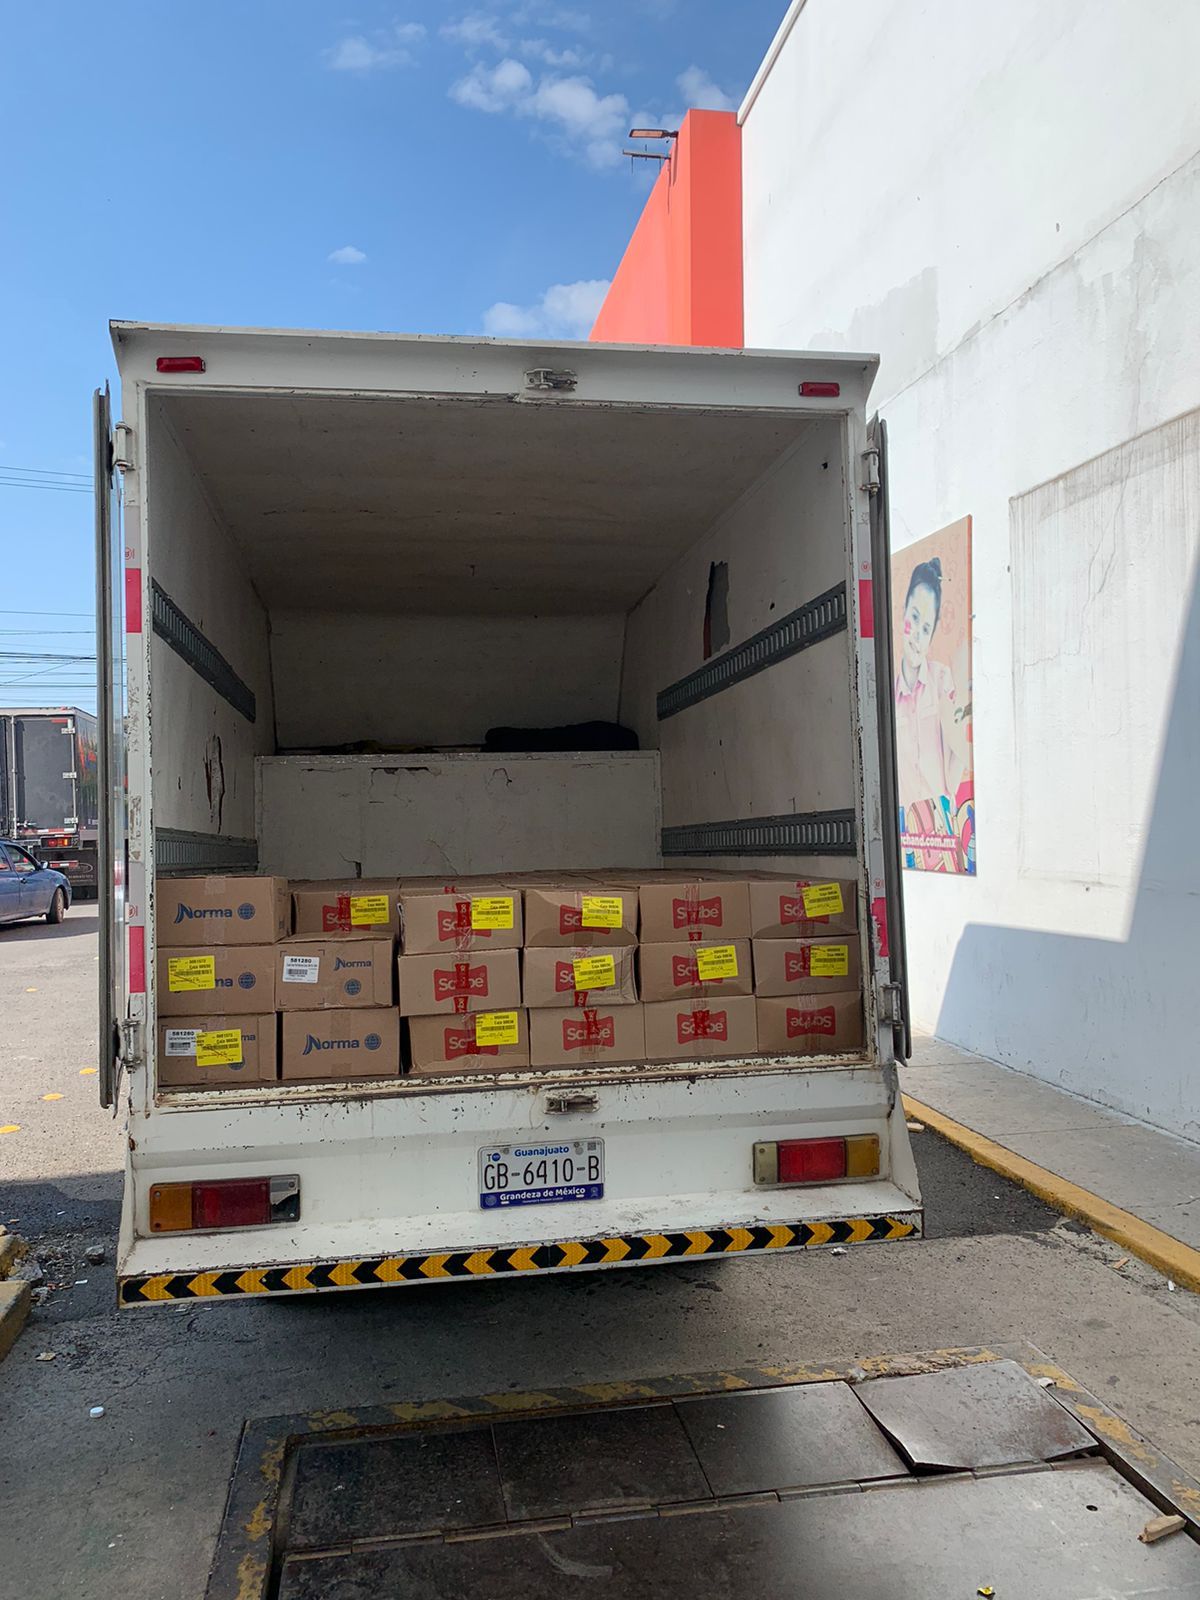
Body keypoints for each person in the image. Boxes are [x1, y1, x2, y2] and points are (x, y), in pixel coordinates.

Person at [894, 557, 967, 813]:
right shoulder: (888, 697)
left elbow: (953, 774)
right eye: (913, 618)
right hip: (906, 831)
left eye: (925, 629)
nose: (916, 635)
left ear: (933, 634)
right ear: (902, 611)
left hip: (941, 836)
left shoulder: (943, 681)